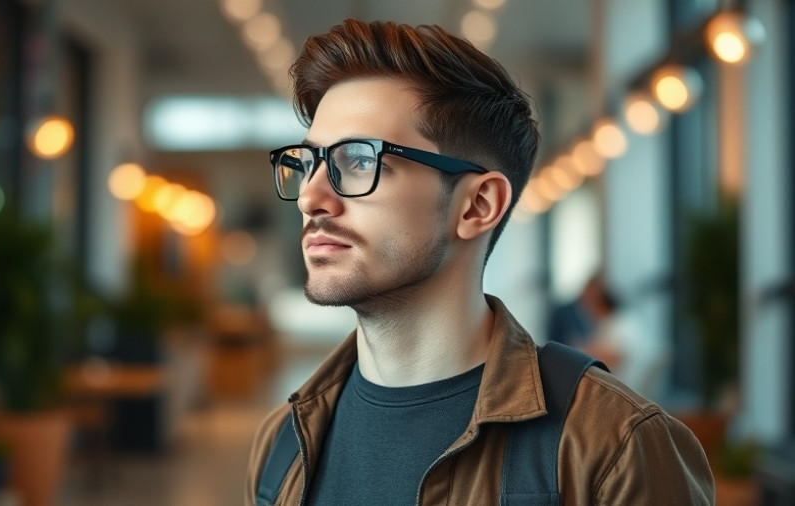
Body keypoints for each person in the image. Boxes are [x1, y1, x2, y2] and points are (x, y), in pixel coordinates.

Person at [246, 19, 713, 505]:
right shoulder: (283, 444)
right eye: (308, 162)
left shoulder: (612, 447)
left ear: (477, 206)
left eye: (359, 160)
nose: (310, 197)